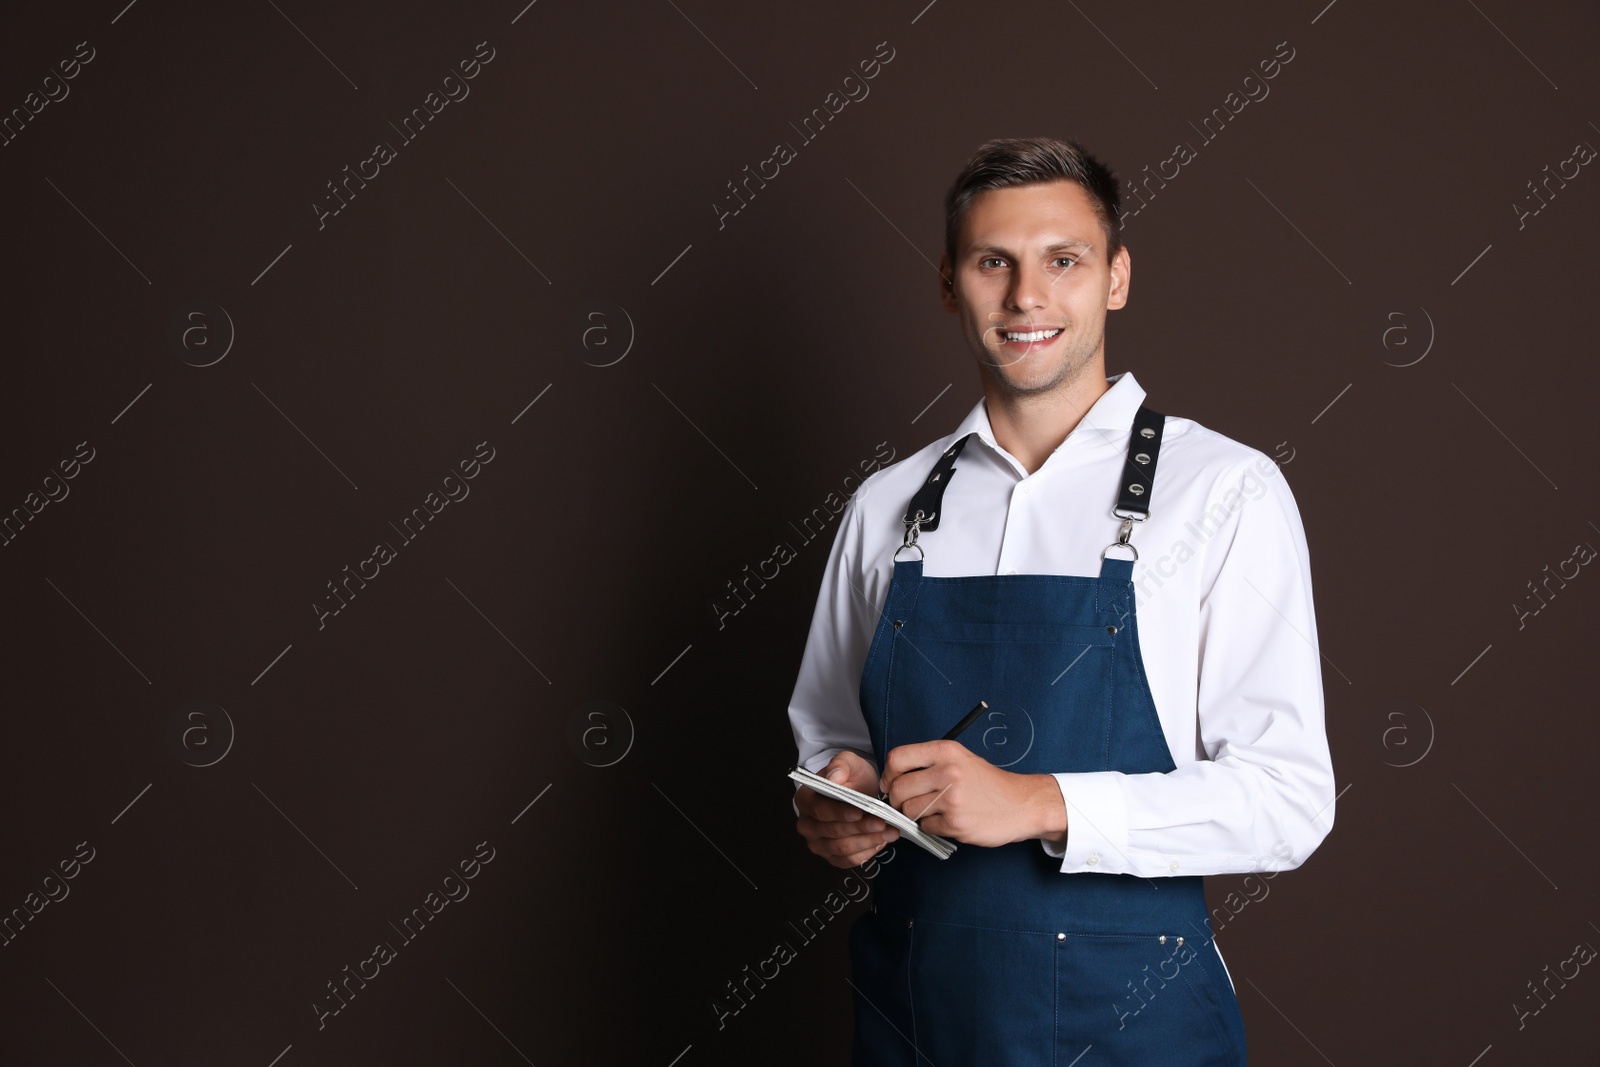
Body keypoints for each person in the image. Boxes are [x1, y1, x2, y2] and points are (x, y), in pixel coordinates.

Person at [786, 136, 1336, 1065]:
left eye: (1064, 261)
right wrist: (836, 796)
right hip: (918, 1020)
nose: (1027, 297)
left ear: (1116, 278)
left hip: (1135, 1029)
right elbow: (827, 735)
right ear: (949, 285)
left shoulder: (1224, 491)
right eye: (992, 262)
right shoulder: (886, 508)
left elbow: (1288, 800)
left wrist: (1041, 801)